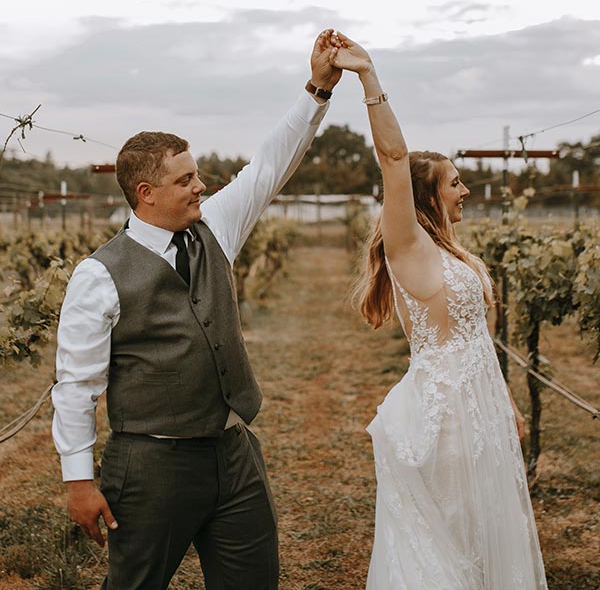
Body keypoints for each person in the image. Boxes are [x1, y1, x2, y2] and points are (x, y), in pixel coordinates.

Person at [51, 29, 343, 590]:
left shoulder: (216, 231)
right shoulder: (98, 276)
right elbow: (76, 385)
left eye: (198, 175)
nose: (200, 187)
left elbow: (266, 169)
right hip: (151, 466)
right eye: (185, 180)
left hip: (234, 455)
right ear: (146, 192)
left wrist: (317, 89)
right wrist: (78, 481)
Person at [327, 32, 547, 589]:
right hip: (445, 417)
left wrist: (505, 403)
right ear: (426, 197)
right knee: (451, 539)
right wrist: (367, 77)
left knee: (485, 532)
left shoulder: (454, 251)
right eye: (454, 183)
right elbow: (394, 158)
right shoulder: (411, 248)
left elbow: (478, 339)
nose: (465, 190)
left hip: (481, 408)